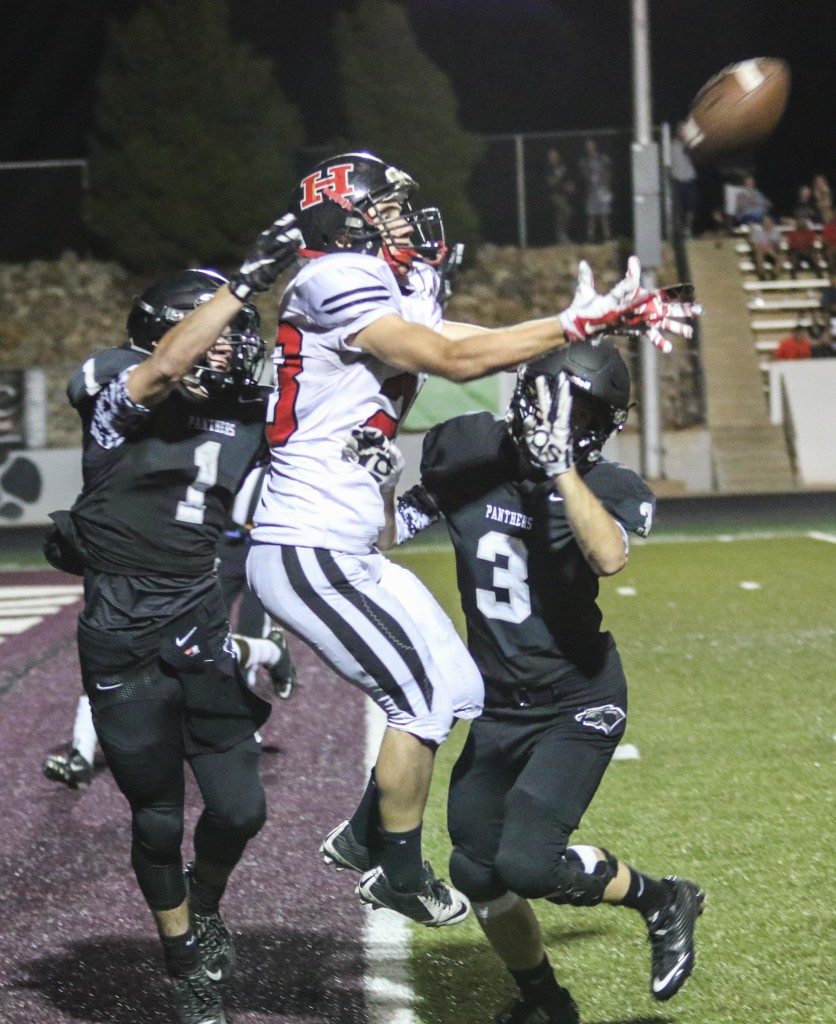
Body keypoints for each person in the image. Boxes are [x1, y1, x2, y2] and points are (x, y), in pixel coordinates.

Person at [245, 151, 701, 930]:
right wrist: (570, 323)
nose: (402, 218)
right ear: (342, 220)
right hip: (306, 537)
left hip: (346, 535)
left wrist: (581, 326)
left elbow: (462, 335)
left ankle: (363, 835)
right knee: (420, 701)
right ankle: (396, 871)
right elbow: (449, 358)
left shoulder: (385, 283)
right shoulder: (329, 277)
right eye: (383, 207)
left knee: (458, 688)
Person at [336, 341, 706, 1024]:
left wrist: (561, 467)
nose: (560, 424)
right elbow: (390, 532)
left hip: (577, 703)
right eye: (552, 408)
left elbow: (611, 555)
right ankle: (545, 1003)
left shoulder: (609, 488)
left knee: (530, 865)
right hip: (498, 706)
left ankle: (661, 898)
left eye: (579, 417)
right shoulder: (468, 451)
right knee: (477, 871)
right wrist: (375, 483)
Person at [42, 213, 302, 1024]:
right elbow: (162, 369)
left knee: (240, 810)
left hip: (196, 618)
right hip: (122, 626)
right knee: (156, 815)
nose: (234, 347)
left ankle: (207, 902)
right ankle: (182, 955)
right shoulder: (119, 385)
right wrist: (238, 286)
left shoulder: (250, 409)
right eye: (221, 336)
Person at [578, 137, 613, 243]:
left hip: (602, 190)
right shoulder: (584, 160)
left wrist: (603, 181)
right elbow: (583, 172)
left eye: (591, 145)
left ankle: (607, 237)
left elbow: (609, 170)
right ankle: (590, 238)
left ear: (595, 145)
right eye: (587, 145)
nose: (589, 147)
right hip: (591, 191)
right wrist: (590, 177)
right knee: (591, 216)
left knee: (604, 215)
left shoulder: (603, 158)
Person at [670, 122, 698, 238]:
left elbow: (696, 154)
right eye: (681, 130)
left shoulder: (690, 145)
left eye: (684, 130)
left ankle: (688, 229)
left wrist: (689, 142)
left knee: (691, 207)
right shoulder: (672, 145)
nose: (683, 132)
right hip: (677, 179)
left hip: (690, 179)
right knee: (678, 207)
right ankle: (679, 231)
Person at [545, 147, 575, 244]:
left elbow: (567, 179)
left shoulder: (562, 166)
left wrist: (569, 186)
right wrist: (557, 177)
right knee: (567, 211)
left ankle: (560, 236)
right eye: (550, 155)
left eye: (554, 154)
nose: (552, 157)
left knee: (560, 215)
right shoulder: (548, 168)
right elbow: (550, 182)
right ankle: (561, 234)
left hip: (563, 193)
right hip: (554, 194)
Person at [748, 213, 783, 280]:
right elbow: (754, 246)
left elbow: (777, 245)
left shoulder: (776, 233)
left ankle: (774, 275)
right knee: (759, 253)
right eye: (765, 222)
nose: (767, 224)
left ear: (772, 223)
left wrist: (771, 252)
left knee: (782, 257)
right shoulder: (757, 233)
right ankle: (762, 276)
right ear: (762, 224)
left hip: (772, 253)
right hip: (760, 253)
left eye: (768, 222)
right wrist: (766, 250)